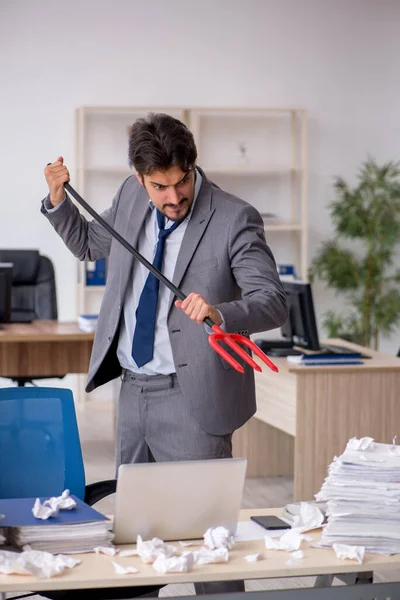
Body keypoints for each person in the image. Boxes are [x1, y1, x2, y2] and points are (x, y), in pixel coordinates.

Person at [42, 112, 288, 594]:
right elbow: (91, 245)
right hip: (133, 392)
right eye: (159, 186)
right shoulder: (131, 196)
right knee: (135, 543)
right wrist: (57, 201)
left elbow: (272, 301)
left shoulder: (234, 216)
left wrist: (220, 313)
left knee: (209, 547)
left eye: (181, 183)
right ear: (139, 178)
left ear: (192, 167)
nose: (173, 197)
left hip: (193, 397)